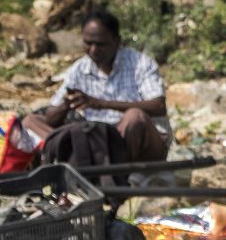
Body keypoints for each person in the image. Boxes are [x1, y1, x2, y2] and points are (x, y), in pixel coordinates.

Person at [22, 9, 170, 162]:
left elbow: (158, 106)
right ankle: (81, 159)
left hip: (138, 145)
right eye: (88, 43)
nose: (93, 50)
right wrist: (67, 105)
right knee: (30, 122)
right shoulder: (79, 69)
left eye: (100, 44)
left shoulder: (140, 64)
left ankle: (112, 167)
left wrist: (100, 104)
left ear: (117, 41)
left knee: (134, 116)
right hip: (98, 143)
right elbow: (51, 119)